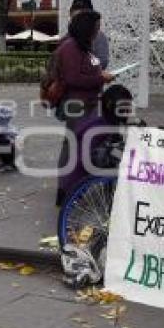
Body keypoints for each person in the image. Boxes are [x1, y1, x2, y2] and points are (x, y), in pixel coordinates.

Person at [55, 11, 115, 206]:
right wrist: (100, 78)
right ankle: (65, 189)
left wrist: (100, 75)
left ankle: (77, 186)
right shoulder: (70, 48)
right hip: (76, 105)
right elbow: (73, 78)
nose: (98, 31)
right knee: (73, 145)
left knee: (83, 145)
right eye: (96, 27)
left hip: (89, 103)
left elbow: (90, 69)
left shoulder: (85, 47)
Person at [58, 84, 134, 203]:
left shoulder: (103, 115)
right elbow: (90, 157)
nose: (128, 112)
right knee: (122, 158)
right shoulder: (98, 125)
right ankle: (113, 199)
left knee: (118, 152)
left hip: (73, 175)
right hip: (74, 183)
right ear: (111, 105)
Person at [69, 0, 109, 70]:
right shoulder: (68, 39)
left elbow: (103, 61)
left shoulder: (98, 36)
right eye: (74, 18)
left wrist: (88, 63)